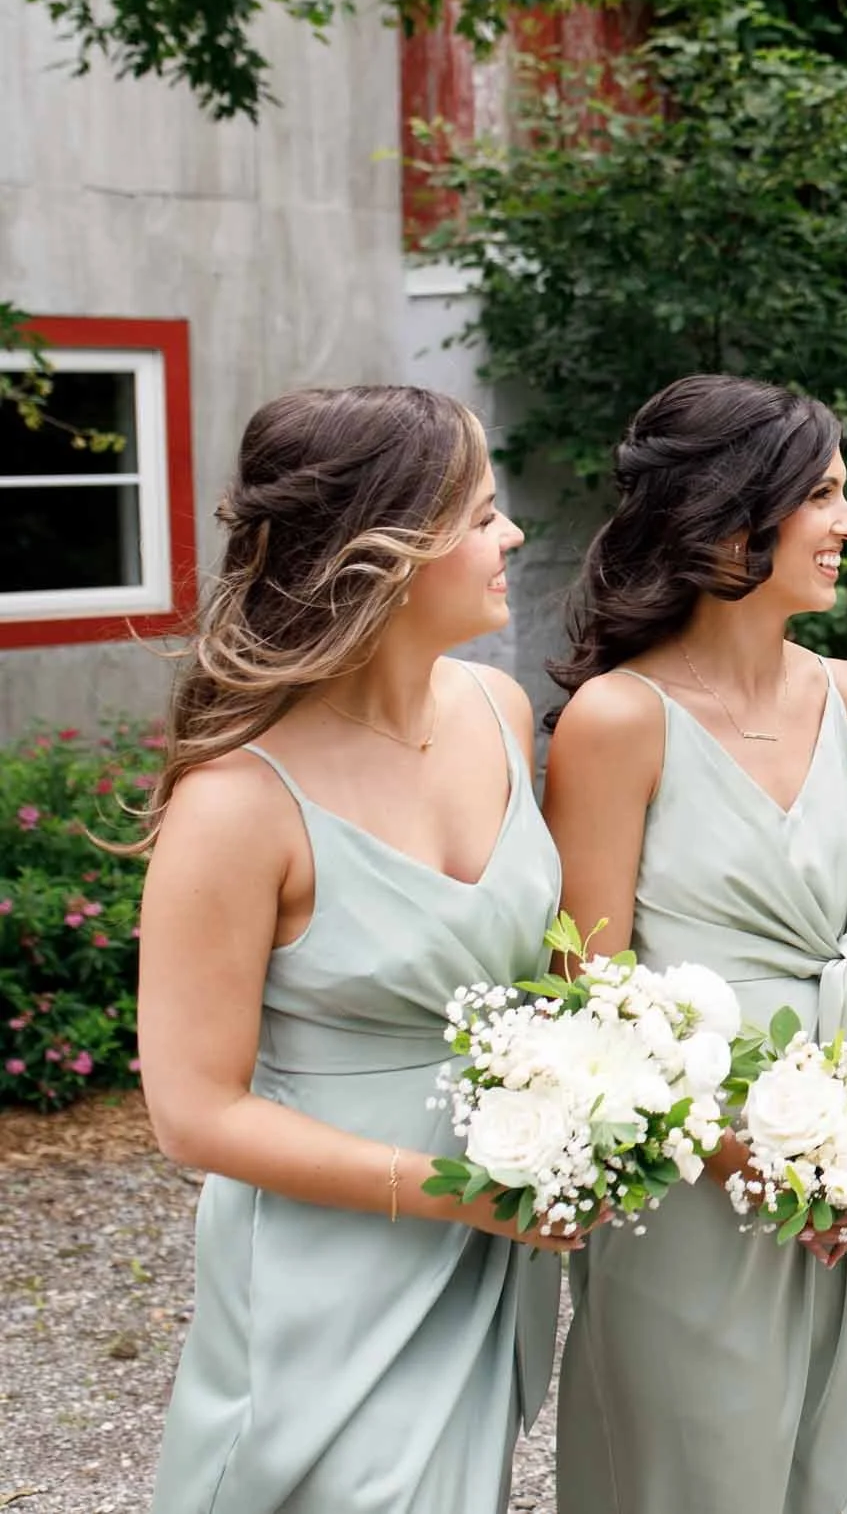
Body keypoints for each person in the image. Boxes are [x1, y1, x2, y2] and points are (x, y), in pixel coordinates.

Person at [138, 385, 567, 1513]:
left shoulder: (498, 708)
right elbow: (193, 1109)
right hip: (326, 1274)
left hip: (489, 1247)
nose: (510, 535)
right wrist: (453, 1190)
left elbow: (550, 973)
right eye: (480, 514)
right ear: (382, 550)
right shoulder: (236, 799)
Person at [539, 374, 847, 1513]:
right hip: (695, 1186)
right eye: (824, 495)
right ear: (728, 515)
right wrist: (747, 1158)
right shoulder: (619, 720)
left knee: (844, 1473)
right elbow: (588, 995)